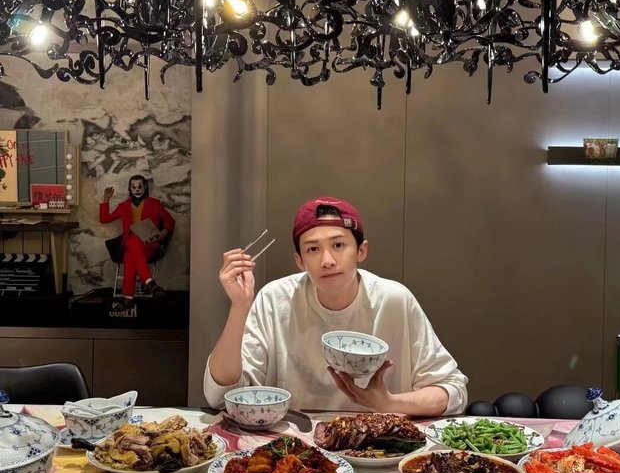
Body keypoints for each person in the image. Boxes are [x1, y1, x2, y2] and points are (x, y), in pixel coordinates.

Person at [204, 196, 467, 414]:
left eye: (339, 245)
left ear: (361, 251)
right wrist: (240, 306)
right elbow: (221, 396)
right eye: (313, 249)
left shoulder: (394, 299)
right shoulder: (275, 299)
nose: (327, 260)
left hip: (380, 446)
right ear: (299, 261)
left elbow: (453, 390)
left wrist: (388, 403)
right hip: (294, 448)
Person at [100, 174, 175, 311]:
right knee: (130, 250)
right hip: (132, 245)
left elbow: (170, 221)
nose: (137, 189)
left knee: (129, 251)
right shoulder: (123, 206)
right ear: (130, 188)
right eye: (134, 187)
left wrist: (163, 232)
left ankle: (129, 297)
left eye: (140, 186)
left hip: (149, 245)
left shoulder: (154, 203)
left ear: (145, 187)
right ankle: (146, 286)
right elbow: (104, 219)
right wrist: (106, 198)